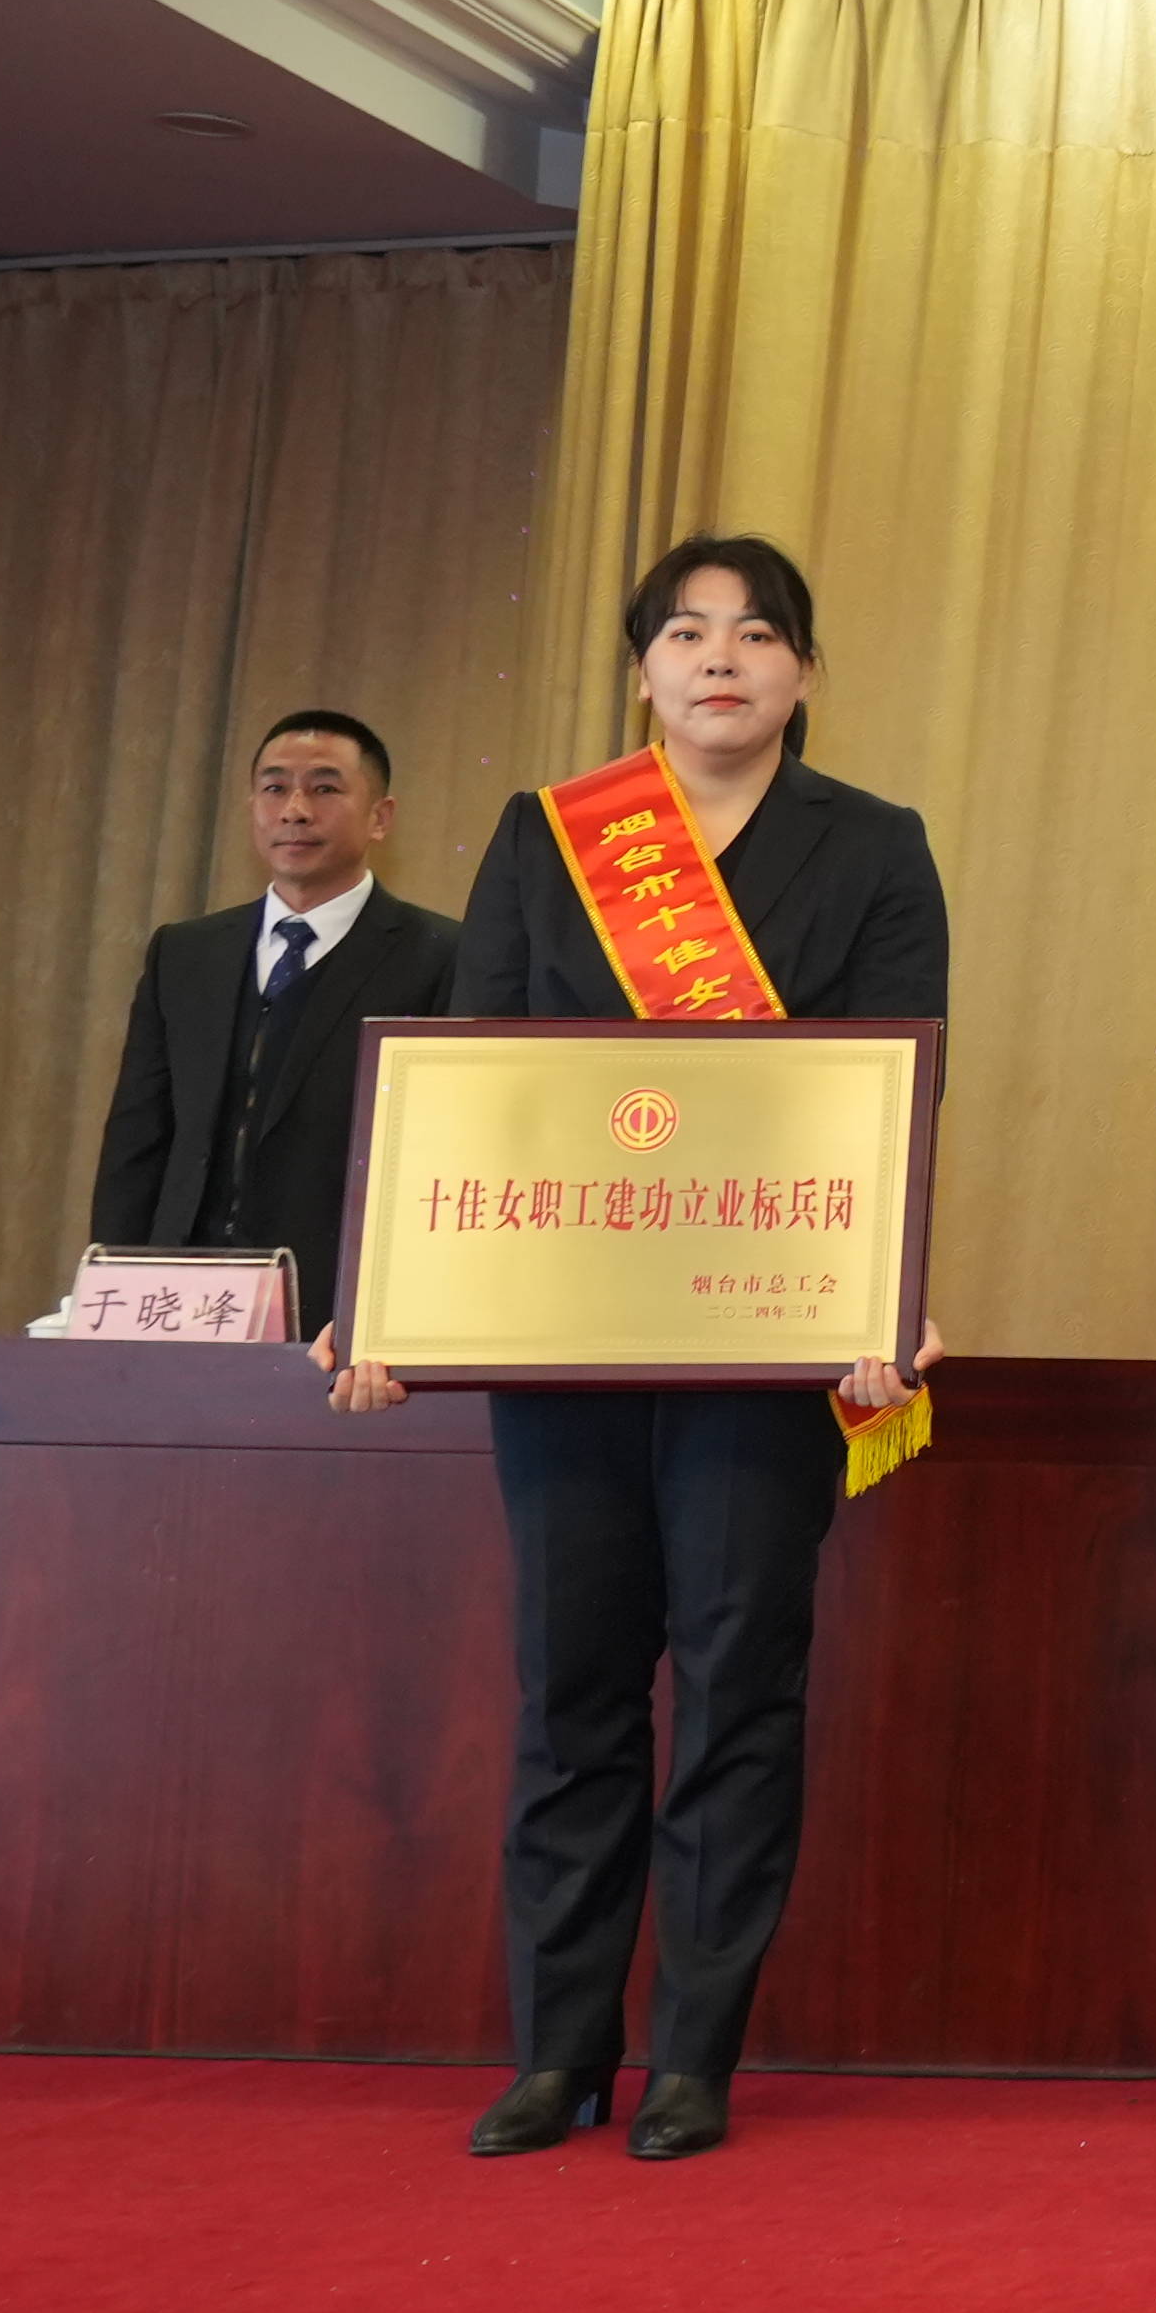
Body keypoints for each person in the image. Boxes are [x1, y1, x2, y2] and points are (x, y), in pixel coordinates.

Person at [326, 533, 946, 2169]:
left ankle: (694, 2054)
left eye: (755, 634)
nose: (720, 656)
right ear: (644, 669)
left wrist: (883, 1293)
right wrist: (395, 1283)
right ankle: (559, 2051)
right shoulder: (552, 837)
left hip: (762, 1337)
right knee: (573, 1687)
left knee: (738, 1682)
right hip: (569, 1330)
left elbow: (894, 1085)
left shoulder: (873, 846)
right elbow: (485, 1073)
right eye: (685, 631)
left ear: (803, 673)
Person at [85, 707, 462, 1321]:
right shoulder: (185, 951)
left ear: (380, 818)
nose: (294, 809)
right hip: (176, 1295)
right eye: (275, 787)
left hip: (339, 1303)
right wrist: (111, 1280)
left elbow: (441, 1162)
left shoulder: (442, 957)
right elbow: (138, 1136)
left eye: (324, 788)